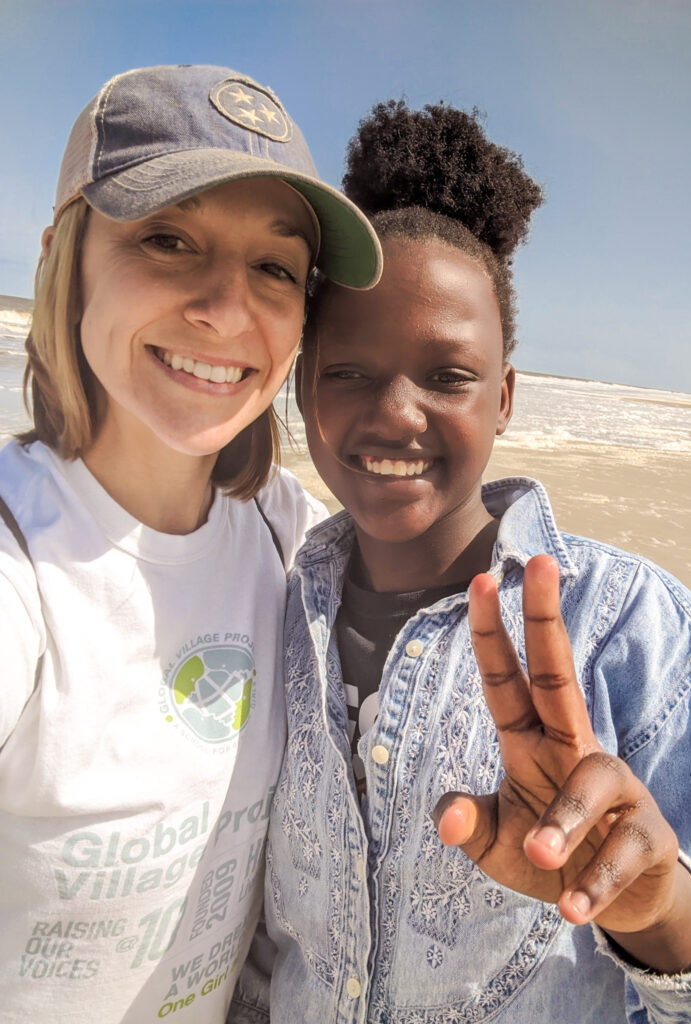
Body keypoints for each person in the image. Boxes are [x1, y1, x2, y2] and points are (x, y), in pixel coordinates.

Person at [252, 102, 691, 1022]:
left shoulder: (636, 633)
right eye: (348, 371)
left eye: (447, 375)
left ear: (504, 397)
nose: (397, 412)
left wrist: (660, 913)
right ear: (302, 384)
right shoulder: (278, 610)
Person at [0, 64, 382, 1023]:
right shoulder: (23, 563)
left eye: (275, 269)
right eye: (167, 240)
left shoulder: (286, 533)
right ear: (64, 255)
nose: (226, 310)